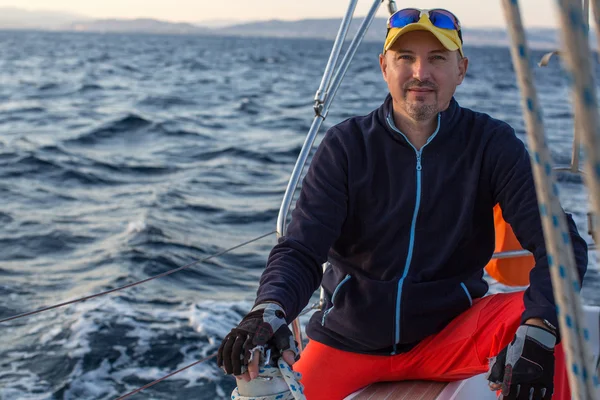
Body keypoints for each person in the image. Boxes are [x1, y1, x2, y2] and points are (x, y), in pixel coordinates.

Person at [217, 7, 588, 400]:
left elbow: (560, 246)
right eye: (405, 58)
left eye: (437, 59)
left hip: (451, 334)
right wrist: (269, 310)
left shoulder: (491, 145)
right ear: (384, 66)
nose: (420, 73)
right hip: (348, 342)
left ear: (461, 69)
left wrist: (539, 326)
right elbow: (301, 250)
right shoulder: (346, 147)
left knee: (555, 327)